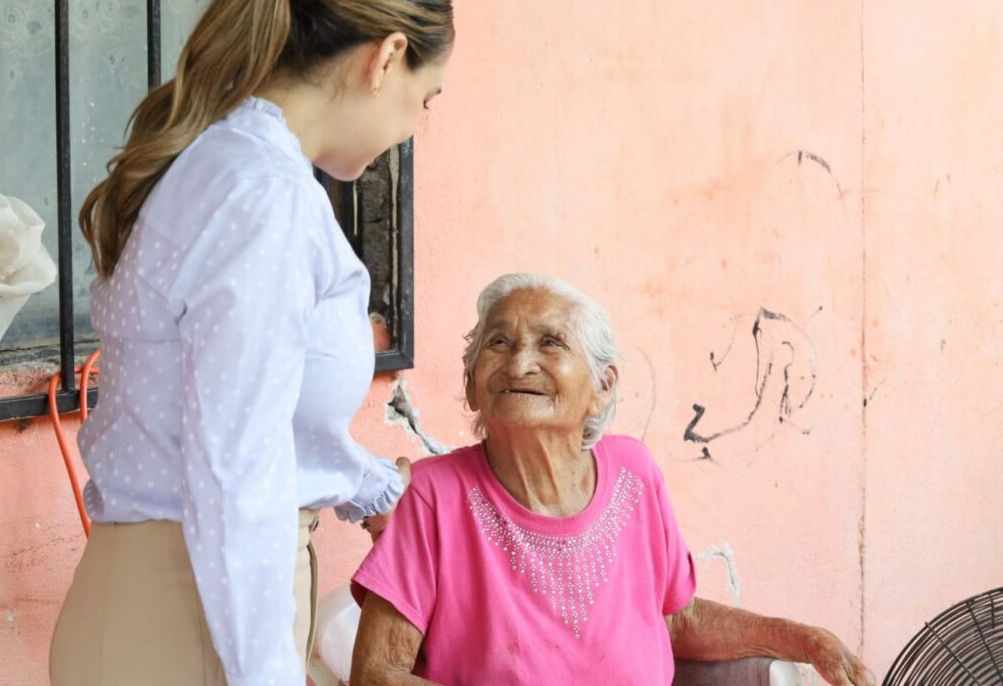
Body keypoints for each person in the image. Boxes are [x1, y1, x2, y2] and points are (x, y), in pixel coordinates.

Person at [49, 0, 453, 686]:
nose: (411, 132)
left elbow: (236, 416)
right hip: (191, 623)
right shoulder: (264, 196)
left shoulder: (234, 168)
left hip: (180, 611)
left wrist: (368, 485)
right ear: (387, 57)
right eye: (424, 99)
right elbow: (235, 462)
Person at [350, 273, 876, 686]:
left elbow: (677, 619)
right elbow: (376, 675)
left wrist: (807, 641)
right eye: (499, 342)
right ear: (471, 383)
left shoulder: (633, 472)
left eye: (550, 343)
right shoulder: (431, 496)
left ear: (602, 386)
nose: (519, 363)